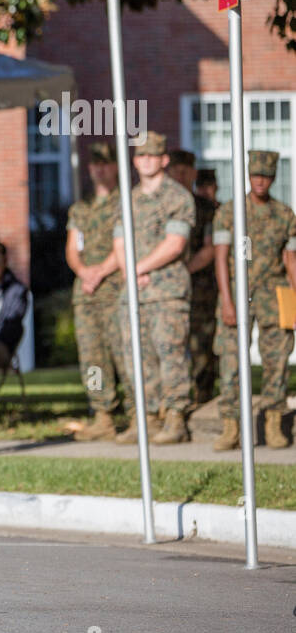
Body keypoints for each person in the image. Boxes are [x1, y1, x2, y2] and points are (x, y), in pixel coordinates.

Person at [95, 132, 194, 445]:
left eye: (153, 155)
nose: (146, 161)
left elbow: (175, 244)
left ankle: (176, 418)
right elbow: (120, 242)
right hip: (134, 292)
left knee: (171, 354)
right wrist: (129, 274)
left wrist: (140, 268)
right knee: (137, 357)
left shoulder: (178, 197)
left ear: (164, 159)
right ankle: (146, 419)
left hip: (167, 291)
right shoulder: (128, 198)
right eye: (141, 156)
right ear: (134, 161)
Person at [211, 149, 296, 450]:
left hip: (274, 293)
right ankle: (231, 425)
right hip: (238, 290)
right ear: (248, 176)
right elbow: (221, 259)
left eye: (266, 176)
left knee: (277, 359)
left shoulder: (285, 214)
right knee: (231, 359)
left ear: (273, 177)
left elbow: (291, 260)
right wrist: (226, 300)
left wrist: (295, 299)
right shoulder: (229, 212)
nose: (260, 181)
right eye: (256, 175)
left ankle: (273, 420)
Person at [66, 143, 134, 441]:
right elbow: (71, 248)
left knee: (124, 355)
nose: (100, 169)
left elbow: (125, 247)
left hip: (115, 290)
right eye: (95, 164)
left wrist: (100, 272)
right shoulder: (81, 208)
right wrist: (83, 273)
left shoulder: (126, 203)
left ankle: (136, 415)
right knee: (92, 358)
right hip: (87, 293)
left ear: (116, 167)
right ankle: (102, 414)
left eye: (105, 164)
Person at [168, 149, 220, 407]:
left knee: (203, 350)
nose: (179, 175)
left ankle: (203, 401)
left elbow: (210, 250)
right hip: (165, 292)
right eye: (174, 170)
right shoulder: (161, 205)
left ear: (192, 173)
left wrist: (181, 271)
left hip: (200, 291)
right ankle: (172, 404)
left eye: (184, 171)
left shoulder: (207, 209)